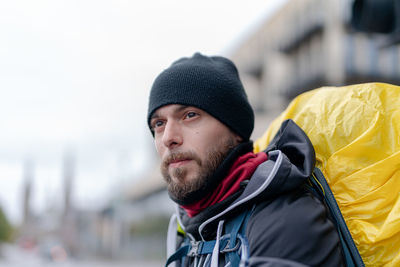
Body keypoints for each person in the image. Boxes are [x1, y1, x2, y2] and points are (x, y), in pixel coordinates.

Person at [147, 53, 344, 267]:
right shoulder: (190, 231)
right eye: (159, 123)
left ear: (235, 131)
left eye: (190, 115)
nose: (168, 137)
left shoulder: (286, 220)